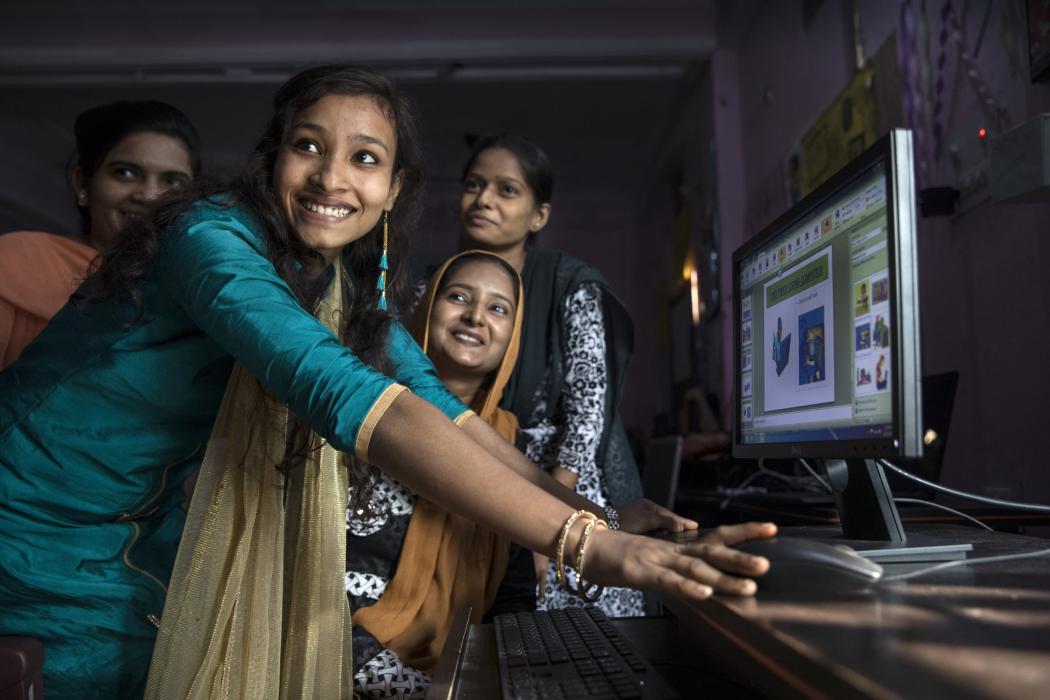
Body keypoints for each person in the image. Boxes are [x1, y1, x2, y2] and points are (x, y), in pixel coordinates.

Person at [0, 66, 774, 700]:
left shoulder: (342, 284)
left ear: (396, 187)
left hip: (137, 543)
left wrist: (593, 516)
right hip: (36, 527)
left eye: (365, 158)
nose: (331, 177)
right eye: (308, 146)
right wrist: (591, 549)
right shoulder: (211, 241)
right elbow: (347, 395)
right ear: (273, 158)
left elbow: (442, 411)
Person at [451, 133, 647, 616]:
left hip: (562, 489)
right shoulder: (440, 288)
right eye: (474, 185)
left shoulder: (569, 285)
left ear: (539, 215)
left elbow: (585, 418)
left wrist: (548, 523)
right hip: (471, 483)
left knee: (570, 646)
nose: (484, 200)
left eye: (506, 190)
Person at [345, 250, 524, 687]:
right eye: (459, 297)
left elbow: (514, 598)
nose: (475, 317)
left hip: (453, 673)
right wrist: (410, 688)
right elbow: (300, 575)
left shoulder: (509, 447)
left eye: (498, 308)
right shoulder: (358, 413)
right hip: (334, 659)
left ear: (513, 337)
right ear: (428, 308)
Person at [0, 100, 200, 368]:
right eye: (125, 173)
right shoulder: (16, 261)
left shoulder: (199, 286)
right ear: (83, 183)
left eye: (172, 181)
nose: (150, 196)